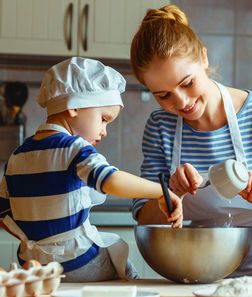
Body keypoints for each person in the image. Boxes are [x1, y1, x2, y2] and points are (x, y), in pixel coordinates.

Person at [130, 4, 252, 276]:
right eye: (164, 95)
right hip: (207, 274)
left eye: (187, 83)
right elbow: (144, 219)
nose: (182, 102)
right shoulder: (160, 127)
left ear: (204, 58)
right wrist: (172, 195)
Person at [0, 57, 183, 282]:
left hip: (33, 263)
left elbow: (3, 214)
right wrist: (160, 191)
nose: (104, 130)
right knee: (119, 256)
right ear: (74, 106)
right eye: (104, 118)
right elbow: (111, 180)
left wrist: (40, 243)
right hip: (78, 260)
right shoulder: (75, 148)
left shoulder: (17, 155)